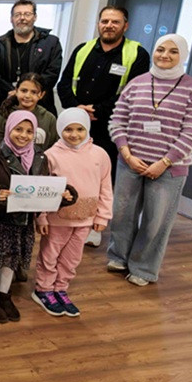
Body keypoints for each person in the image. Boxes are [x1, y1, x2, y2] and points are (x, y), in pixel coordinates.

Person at [107, 34, 192, 286]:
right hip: (130, 162)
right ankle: (119, 256)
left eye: (173, 51)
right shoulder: (137, 83)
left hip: (168, 168)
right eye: (160, 49)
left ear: (182, 55)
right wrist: (127, 154)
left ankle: (143, 268)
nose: (165, 55)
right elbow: (117, 120)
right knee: (122, 215)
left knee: (156, 221)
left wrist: (164, 161)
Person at [0, 111, 73, 323]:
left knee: (12, 260)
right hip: (0, 218)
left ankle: (4, 294)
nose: (23, 135)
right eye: (18, 129)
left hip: (24, 220)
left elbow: (46, 186)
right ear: (9, 128)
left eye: (29, 131)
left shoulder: (39, 156)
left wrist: (63, 194)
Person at [57, 6, 151, 193]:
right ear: (98, 24)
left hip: (110, 129)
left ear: (125, 26)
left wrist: (98, 110)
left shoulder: (137, 54)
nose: (109, 25)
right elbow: (64, 84)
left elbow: (132, 93)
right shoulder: (83, 49)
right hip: (77, 125)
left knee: (100, 180)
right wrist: (78, 110)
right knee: (70, 175)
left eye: (115, 22)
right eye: (105, 21)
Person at [33, 108, 112, 317]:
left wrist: (103, 216)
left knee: (72, 258)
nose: (74, 134)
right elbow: (43, 189)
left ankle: (61, 288)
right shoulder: (50, 156)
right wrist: (41, 216)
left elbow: (106, 187)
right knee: (50, 255)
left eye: (79, 129)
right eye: (68, 129)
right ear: (60, 129)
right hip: (57, 219)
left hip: (85, 220)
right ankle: (43, 289)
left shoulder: (100, 155)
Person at [0, 0, 63, 118]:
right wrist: (16, 93)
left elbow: (52, 73)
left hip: (40, 108)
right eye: (17, 14)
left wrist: (26, 92)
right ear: (11, 19)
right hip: (5, 108)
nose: (22, 18)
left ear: (35, 17)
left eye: (27, 14)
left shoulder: (51, 43)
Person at [0, 73, 59, 149]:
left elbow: (52, 147)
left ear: (41, 95)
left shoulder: (49, 118)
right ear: (16, 91)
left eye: (33, 92)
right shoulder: (5, 114)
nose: (27, 96)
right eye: (24, 91)